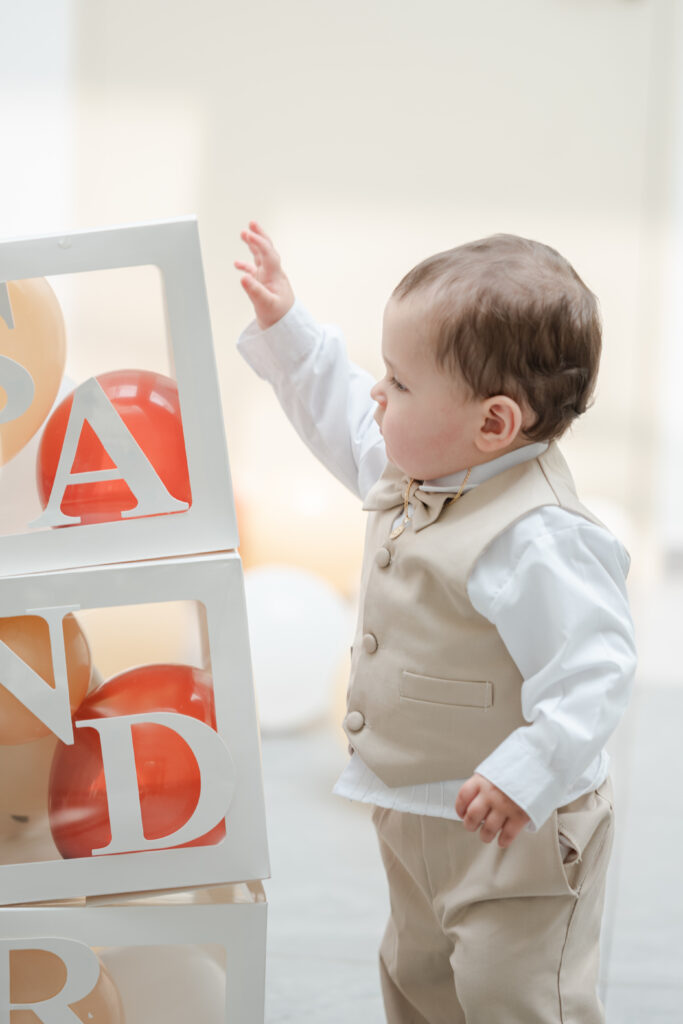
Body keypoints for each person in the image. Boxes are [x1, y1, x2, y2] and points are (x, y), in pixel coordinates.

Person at [235, 221, 637, 1024]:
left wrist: (526, 772)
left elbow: (594, 670)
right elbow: (340, 405)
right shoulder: (417, 459)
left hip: (515, 834)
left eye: (400, 382)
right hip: (414, 809)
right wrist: (288, 327)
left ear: (493, 424)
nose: (377, 394)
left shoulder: (537, 536)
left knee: (513, 993)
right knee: (417, 977)